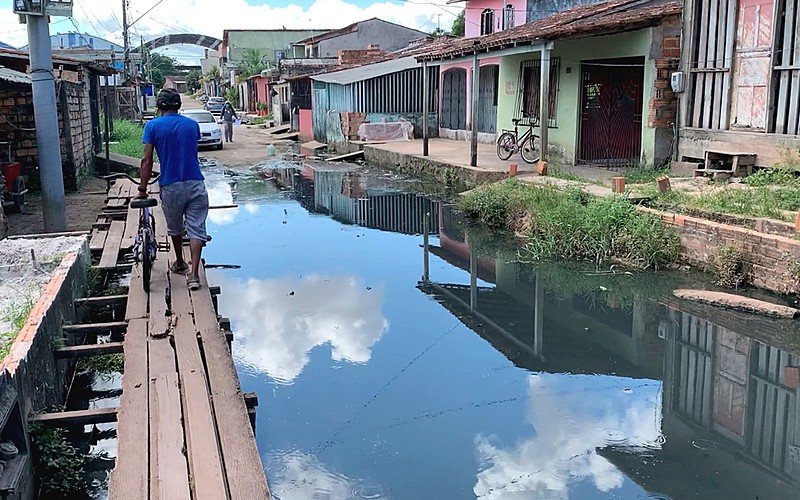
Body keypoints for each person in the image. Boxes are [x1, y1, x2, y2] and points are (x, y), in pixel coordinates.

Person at [138, 88, 208, 291]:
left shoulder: (152, 126)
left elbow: (147, 160)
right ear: (179, 105)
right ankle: (194, 276)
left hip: (170, 184)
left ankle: (179, 262)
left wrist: (143, 188)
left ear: (159, 106)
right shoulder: (192, 125)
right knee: (197, 228)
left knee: (175, 228)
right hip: (196, 183)